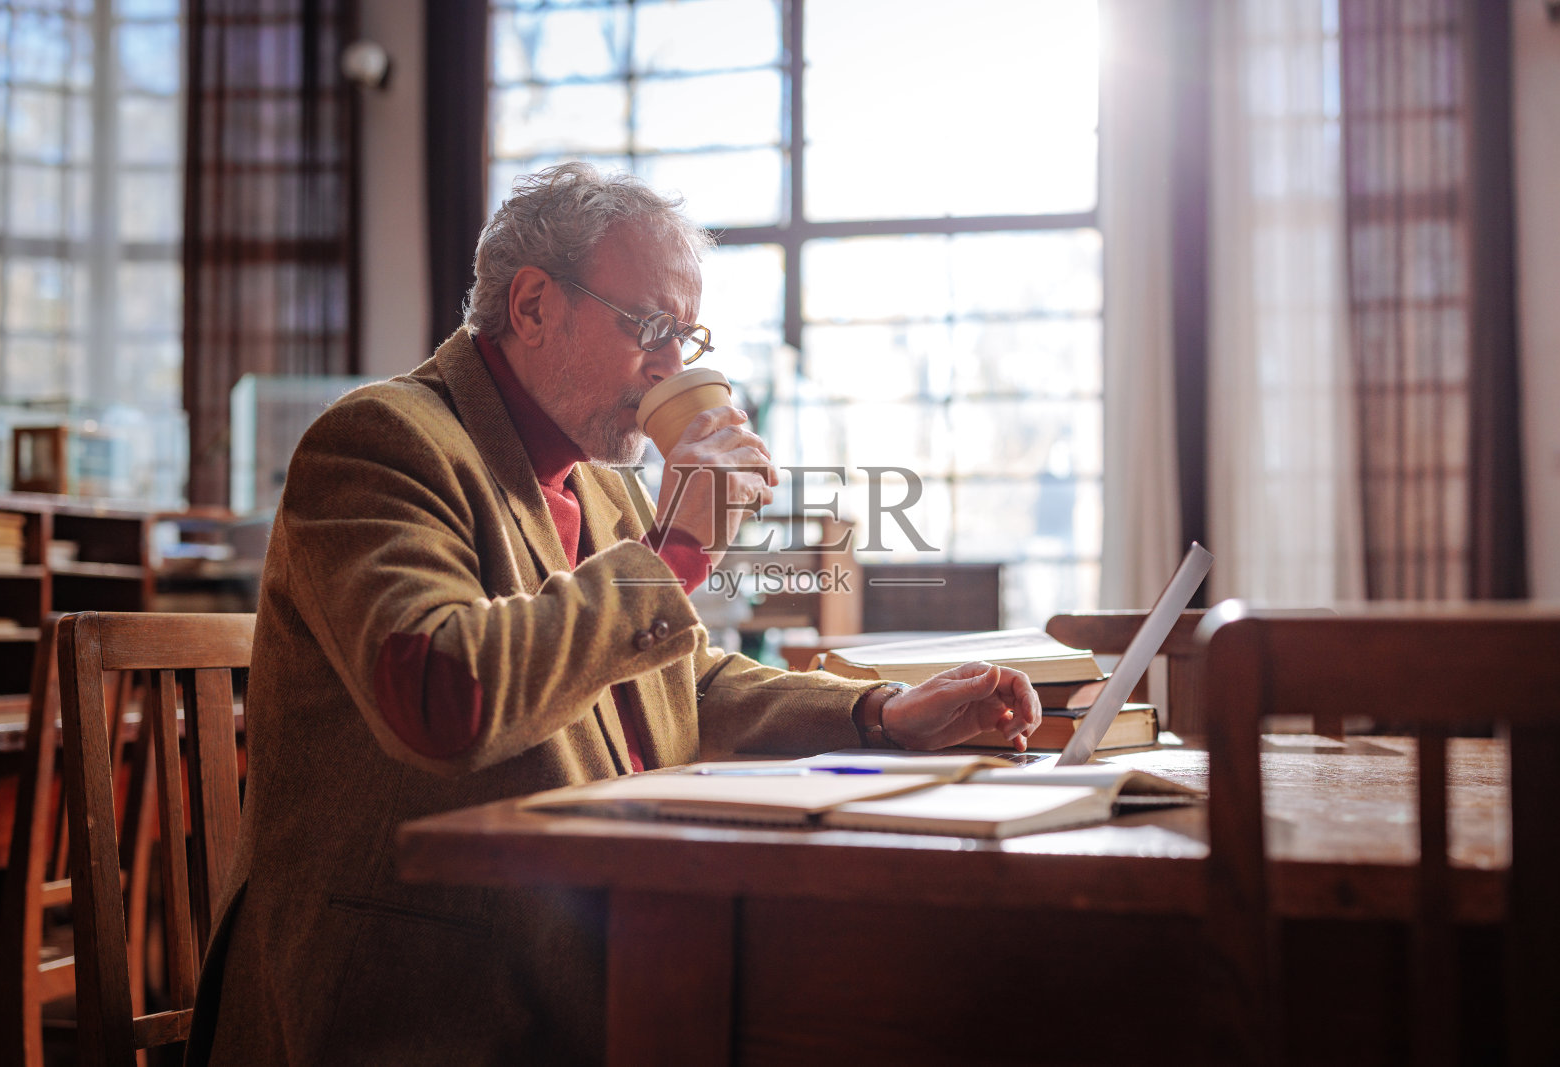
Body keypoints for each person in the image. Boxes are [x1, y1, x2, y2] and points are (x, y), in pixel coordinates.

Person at [188, 162, 1041, 1065]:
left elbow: (684, 684)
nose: (675, 365)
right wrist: (675, 554)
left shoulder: (602, 484)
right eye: (650, 328)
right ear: (532, 307)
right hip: (423, 983)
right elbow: (442, 693)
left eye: (686, 334)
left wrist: (874, 714)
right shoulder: (382, 441)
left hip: (597, 933)